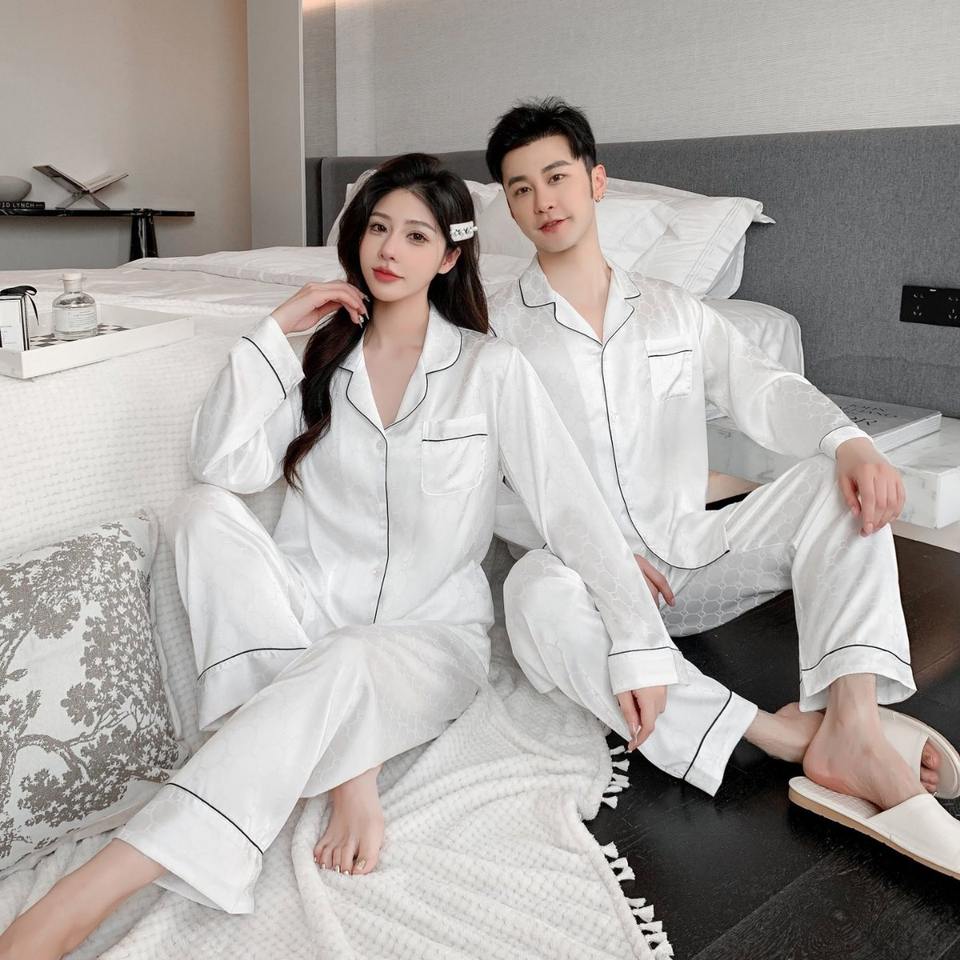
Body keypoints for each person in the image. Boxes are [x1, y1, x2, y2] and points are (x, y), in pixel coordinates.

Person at [0, 153, 683, 959]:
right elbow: (223, 465)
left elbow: (569, 507)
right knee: (201, 512)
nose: (389, 249)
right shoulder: (321, 359)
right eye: (378, 228)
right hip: (309, 612)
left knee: (351, 655)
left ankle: (86, 895)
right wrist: (274, 330)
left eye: (416, 235)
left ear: (451, 256)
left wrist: (638, 644)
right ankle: (345, 770)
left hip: (427, 641)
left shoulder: (491, 370)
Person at [485, 98, 950, 819]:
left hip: (690, 564)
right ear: (511, 210)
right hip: (584, 583)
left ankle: (854, 723)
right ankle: (777, 736)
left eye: (556, 177)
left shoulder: (674, 310)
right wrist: (590, 554)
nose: (543, 200)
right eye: (521, 189)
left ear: (596, 181)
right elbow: (487, 482)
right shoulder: (497, 333)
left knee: (831, 485)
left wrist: (849, 441)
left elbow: (761, 385)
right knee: (530, 594)